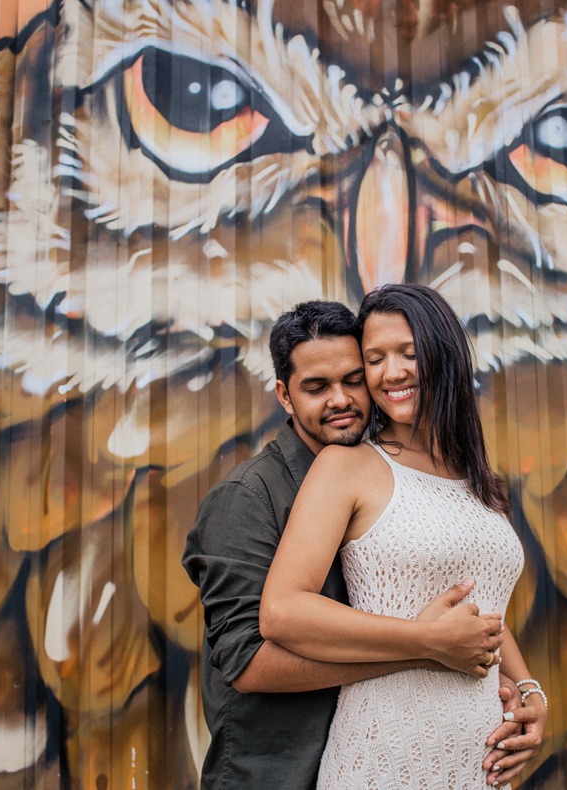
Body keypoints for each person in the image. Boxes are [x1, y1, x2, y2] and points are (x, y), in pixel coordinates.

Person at [182, 300, 539, 790]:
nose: (341, 399)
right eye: (317, 387)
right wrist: (427, 648)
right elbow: (250, 663)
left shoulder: (425, 471)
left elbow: (467, 600)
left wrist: (522, 684)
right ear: (285, 396)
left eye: (353, 379)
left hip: (443, 752)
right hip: (277, 770)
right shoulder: (247, 498)